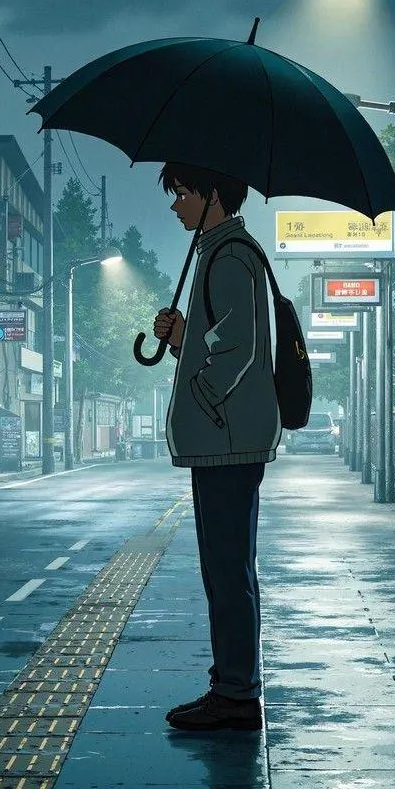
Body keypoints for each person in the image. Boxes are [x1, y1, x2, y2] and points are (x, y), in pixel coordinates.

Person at [153, 160, 281, 733]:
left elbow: (235, 351)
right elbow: (218, 345)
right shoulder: (220, 252)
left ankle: (235, 693)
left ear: (211, 195)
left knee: (228, 569)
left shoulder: (230, 256)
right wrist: (183, 341)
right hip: (224, 439)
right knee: (226, 567)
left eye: (182, 193)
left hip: (227, 442)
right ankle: (231, 684)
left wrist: (202, 393)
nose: (176, 204)